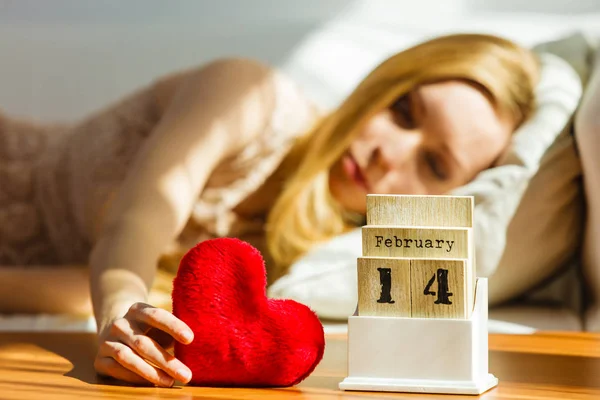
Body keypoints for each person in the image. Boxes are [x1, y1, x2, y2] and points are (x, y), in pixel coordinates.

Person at [0, 33, 538, 386]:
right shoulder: (250, 95)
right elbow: (135, 222)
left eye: (435, 166)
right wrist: (118, 310)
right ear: (384, 82)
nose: (387, 155)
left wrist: (132, 324)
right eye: (403, 111)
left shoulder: (310, 251)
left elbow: (88, 278)